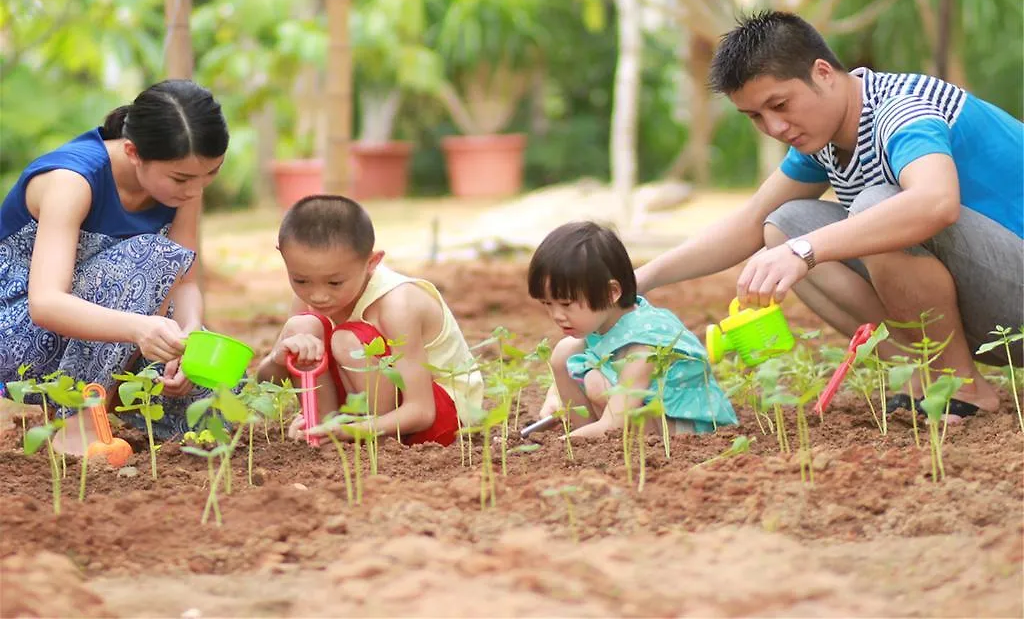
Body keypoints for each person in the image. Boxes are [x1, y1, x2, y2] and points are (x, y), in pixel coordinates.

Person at [635, 10, 1023, 419]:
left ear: (822, 72)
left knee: (875, 208)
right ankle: (921, 373)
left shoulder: (901, 108)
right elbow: (750, 224)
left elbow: (934, 202)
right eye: (756, 117)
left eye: (779, 105)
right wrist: (642, 278)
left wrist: (806, 251)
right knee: (784, 226)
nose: (775, 126)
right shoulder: (822, 141)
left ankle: (961, 386)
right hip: (992, 306)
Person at [0, 80, 230, 446]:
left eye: (211, 173)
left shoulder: (184, 187)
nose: (196, 190)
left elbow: (184, 281)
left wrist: (189, 334)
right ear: (133, 151)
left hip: (110, 329)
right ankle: (78, 422)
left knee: (212, 403)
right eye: (182, 178)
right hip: (18, 334)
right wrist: (140, 329)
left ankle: (113, 412)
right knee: (152, 256)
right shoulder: (73, 181)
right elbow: (44, 303)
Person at [256, 195, 483, 445]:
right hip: (365, 407)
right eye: (300, 280)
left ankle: (370, 444)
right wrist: (279, 356)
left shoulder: (398, 305)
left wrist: (352, 431)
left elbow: (421, 411)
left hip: (438, 416)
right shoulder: (310, 297)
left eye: (335, 282)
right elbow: (269, 382)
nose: (317, 294)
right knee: (300, 328)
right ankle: (321, 428)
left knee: (347, 340)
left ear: (372, 262)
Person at [530, 221, 738, 438]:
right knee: (564, 353)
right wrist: (556, 398)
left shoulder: (643, 345)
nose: (556, 315)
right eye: (547, 304)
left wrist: (564, 444)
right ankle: (590, 441)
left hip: (683, 429)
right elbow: (568, 368)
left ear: (611, 293)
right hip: (638, 416)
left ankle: (596, 442)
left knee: (596, 384)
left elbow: (615, 423)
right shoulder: (606, 319)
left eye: (566, 304)